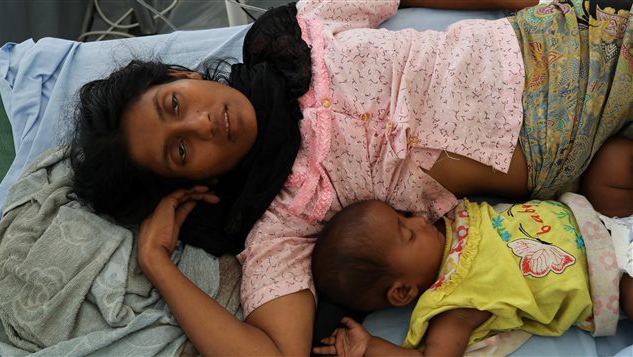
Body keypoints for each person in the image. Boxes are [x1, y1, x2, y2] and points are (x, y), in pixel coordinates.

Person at [66, 0, 633, 355]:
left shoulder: (294, 36)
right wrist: (158, 266)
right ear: (185, 183)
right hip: (562, 150)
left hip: (551, 43)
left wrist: (525, 2)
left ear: (181, 74)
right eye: (182, 150)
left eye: (174, 103)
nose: (202, 123)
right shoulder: (275, 219)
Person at [310, 138, 633, 356]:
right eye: (408, 235)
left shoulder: (450, 223)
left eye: (404, 216)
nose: (419, 221)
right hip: (611, 277)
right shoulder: (454, 304)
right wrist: (371, 348)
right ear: (402, 292)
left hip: (600, 215)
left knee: (615, 157)